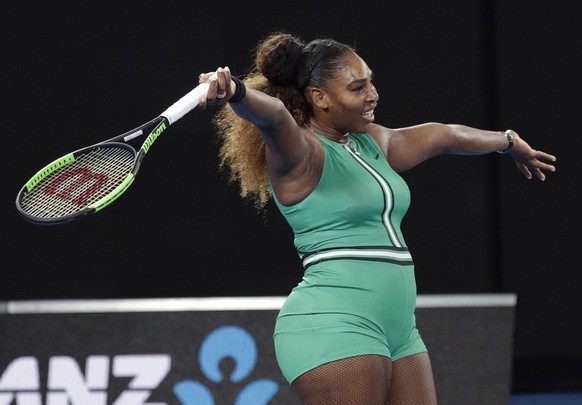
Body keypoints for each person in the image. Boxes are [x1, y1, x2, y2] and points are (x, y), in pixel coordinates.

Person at [197, 32, 556, 405]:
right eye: (357, 88)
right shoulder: (300, 151)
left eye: (370, 81)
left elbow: (445, 136)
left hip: (399, 331)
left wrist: (509, 142)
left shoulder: (371, 143)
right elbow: (273, 117)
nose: (372, 95)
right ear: (320, 98)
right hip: (334, 322)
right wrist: (235, 91)